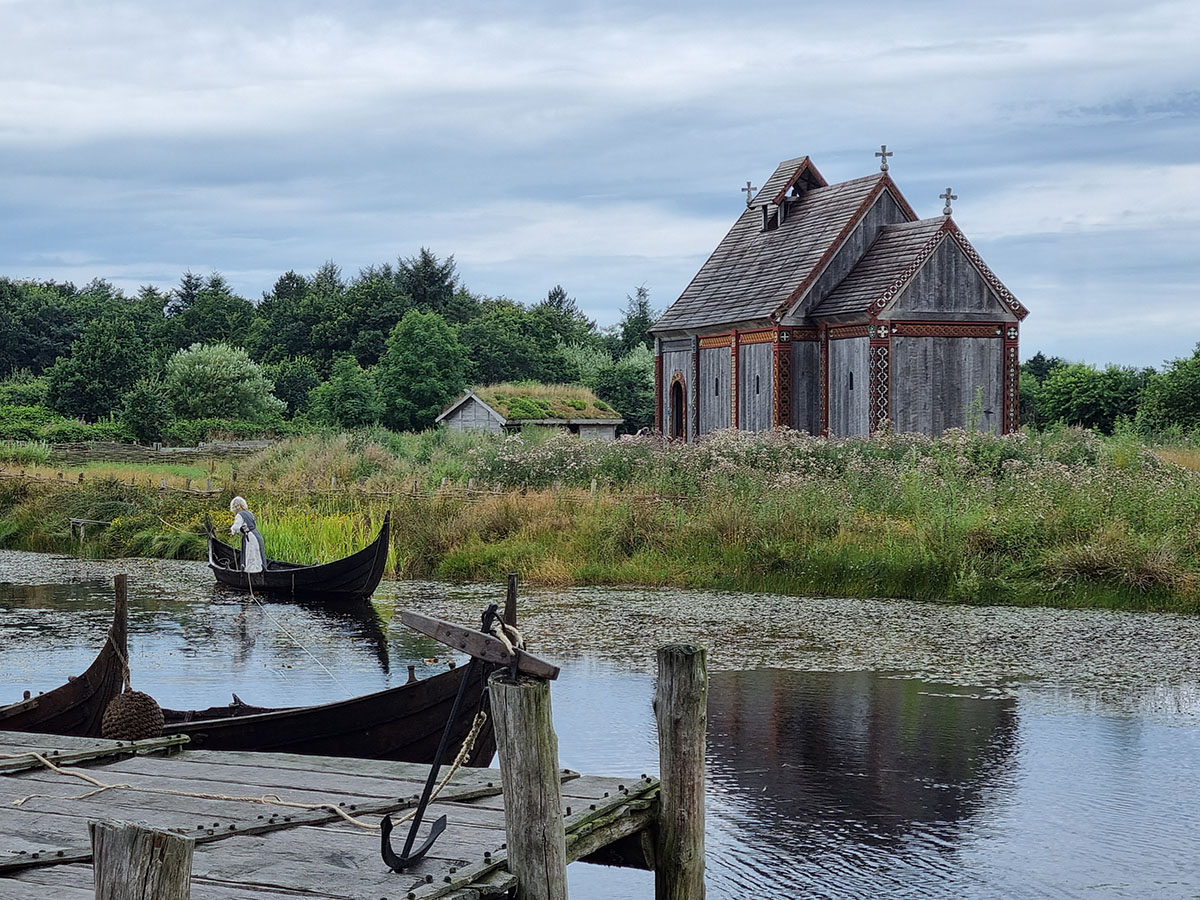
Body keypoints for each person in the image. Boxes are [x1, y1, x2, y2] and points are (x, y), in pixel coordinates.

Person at [229, 496, 266, 573]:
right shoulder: (249, 513)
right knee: (257, 554)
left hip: (250, 537)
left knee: (251, 555)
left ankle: (252, 573)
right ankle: (260, 570)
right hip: (256, 535)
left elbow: (236, 527)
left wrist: (232, 531)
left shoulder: (240, 515)